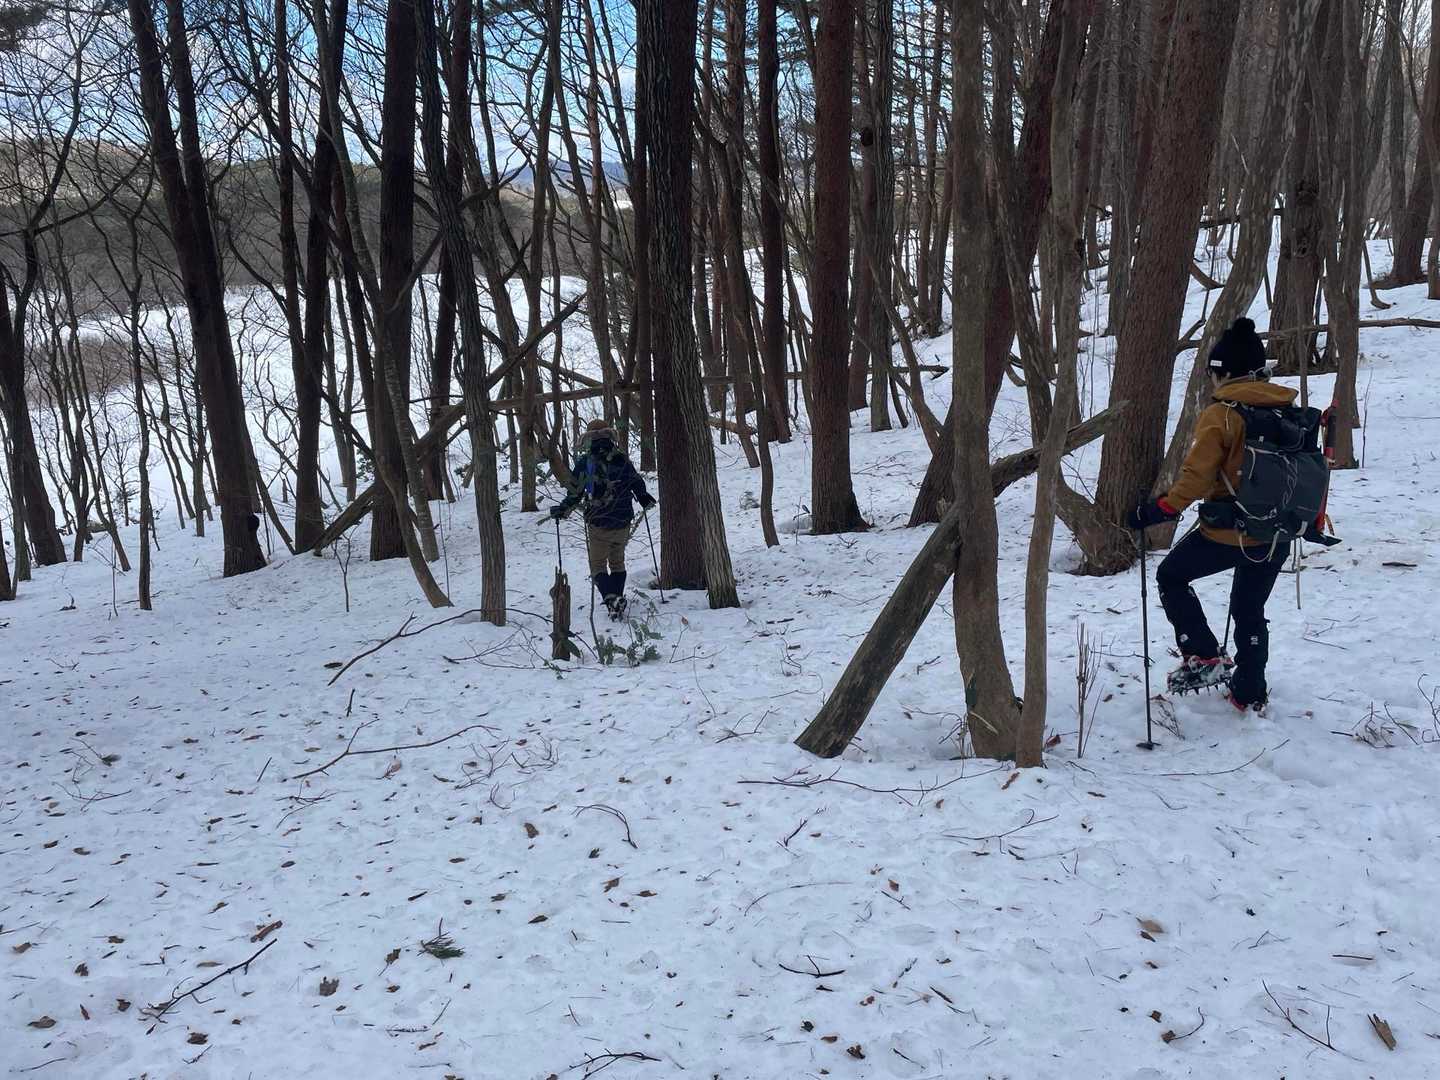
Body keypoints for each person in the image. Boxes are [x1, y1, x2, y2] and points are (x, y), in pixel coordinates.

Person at [1128, 317, 1336, 714]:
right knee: (1249, 610)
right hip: (1278, 533)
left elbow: (1195, 478)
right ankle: (1249, 692)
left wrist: (1158, 511)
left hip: (1230, 532)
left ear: (1222, 372)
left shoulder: (1223, 413)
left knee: (1171, 576)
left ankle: (1204, 654)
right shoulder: (1285, 409)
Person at [547, 419, 655, 619]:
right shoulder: (621, 458)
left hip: (599, 522)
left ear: (589, 438)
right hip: (623, 520)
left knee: (597, 565)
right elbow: (636, 482)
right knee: (617, 563)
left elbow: (575, 492)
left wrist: (563, 509)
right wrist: (643, 498)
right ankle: (616, 601)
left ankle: (612, 600)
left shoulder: (585, 462)